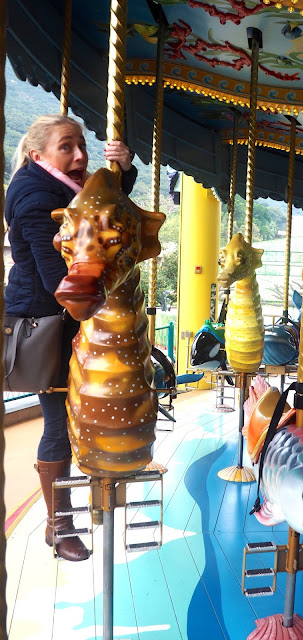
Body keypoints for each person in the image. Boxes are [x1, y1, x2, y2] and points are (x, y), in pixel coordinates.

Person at [4, 114, 137, 561]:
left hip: (73, 320)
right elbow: (55, 275)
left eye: (83, 145)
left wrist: (122, 174)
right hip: (49, 322)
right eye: (67, 147)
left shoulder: (61, 186)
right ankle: (59, 523)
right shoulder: (36, 195)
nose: (80, 156)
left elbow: (100, 223)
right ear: (40, 155)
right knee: (60, 420)